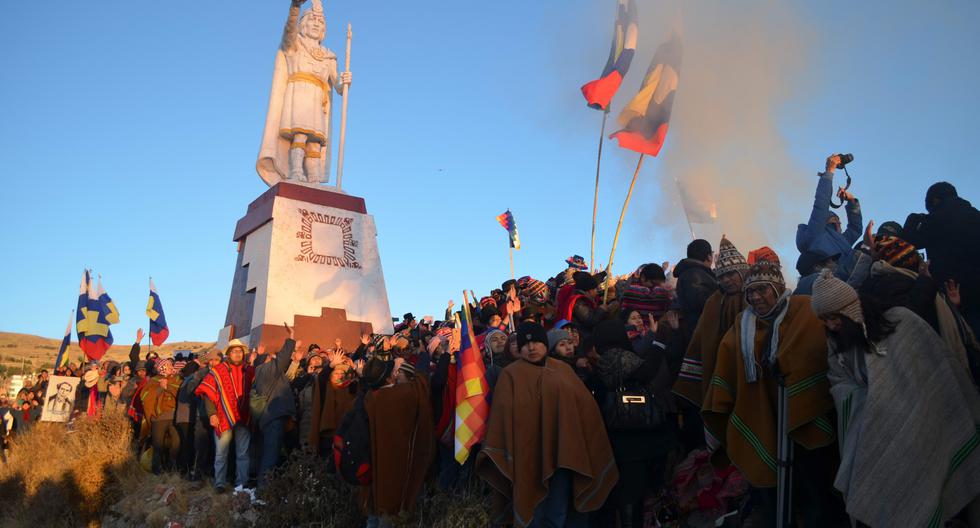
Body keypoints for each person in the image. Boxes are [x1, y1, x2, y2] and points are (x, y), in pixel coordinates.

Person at [811, 270, 980, 527]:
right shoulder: (838, 345)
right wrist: (866, 398)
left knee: (933, 488)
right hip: (875, 436)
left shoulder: (902, 321)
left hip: (925, 426)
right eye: (824, 320)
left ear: (851, 309)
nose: (831, 325)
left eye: (834, 317)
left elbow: (938, 372)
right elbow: (839, 382)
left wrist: (896, 400)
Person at [701, 259, 844, 527]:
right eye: (750, 292)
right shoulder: (742, 323)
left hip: (806, 414)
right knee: (770, 487)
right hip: (762, 417)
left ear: (778, 288)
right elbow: (727, 357)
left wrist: (788, 364)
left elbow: (815, 350)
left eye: (762, 289)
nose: (755, 297)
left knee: (816, 485)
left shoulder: (803, 309)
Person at [476, 322, 618, 527]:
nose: (531, 348)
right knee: (536, 511)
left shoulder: (563, 370)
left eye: (536, 342)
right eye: (525, 344)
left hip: (564, 453)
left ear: (544, 343)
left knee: (560, 508)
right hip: (527, 455)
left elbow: (585, 409)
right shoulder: (511, 375)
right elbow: (503, 416)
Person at [595, 319, 676, 528]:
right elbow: (646, 372)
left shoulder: (601, 358)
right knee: (632, 490)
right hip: (633, 432)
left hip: (616, 432)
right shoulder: (618, 357)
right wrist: (658, 341)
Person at [358, 356, 435, 526]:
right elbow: (420, 385)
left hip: (373, 468)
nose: (396, 373)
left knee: (375, 510)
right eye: (393, 371)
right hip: (394, 469)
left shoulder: (370, 397)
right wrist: (423, 356)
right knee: (389, 510)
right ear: (388, 378)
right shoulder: (399, 395)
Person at [673, 236, 749, 407]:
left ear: (743, 272)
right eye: (721, 276)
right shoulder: (715, 301)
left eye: (731, 274)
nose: (726, 280)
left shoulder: (754, 297)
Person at [903, 182, 980, 337]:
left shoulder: (935, 219)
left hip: (955, 292)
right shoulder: (975, 215)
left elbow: (909, 243)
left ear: (935, 200)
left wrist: (912, 221)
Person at [195, 339, 255, 492]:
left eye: (240, 351)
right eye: (234, 351)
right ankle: (220, 483)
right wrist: (212, 414)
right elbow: (208, 393)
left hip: (244, 417)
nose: (237, 354)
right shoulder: (218, 370)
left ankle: (242, 483)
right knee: (221, 453)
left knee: (243, 453)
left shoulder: (249, 371)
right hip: (223, 415)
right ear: (228, 353)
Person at [795, 154, 863, 282]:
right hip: (828, 283)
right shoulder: (815, 234)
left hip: (849, 282)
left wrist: (852, 201)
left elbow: (855, 229)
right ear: (824, 221)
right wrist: (829, 172)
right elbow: (821, 204)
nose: (839, 221)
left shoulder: (842, 239)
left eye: (839, 219)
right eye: (834, 218)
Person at [250, 325, 302, 484]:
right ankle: (263, 491)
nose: (272, 358)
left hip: (273, 418)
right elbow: (282, 358)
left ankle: (264, 488)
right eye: (269, 357)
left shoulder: (265, 372)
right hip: (273, 418)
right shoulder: (265, 370)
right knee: (270, 455)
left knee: (270, 453)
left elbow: (286, 370)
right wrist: (291, 337)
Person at [141, 358, 182, 474]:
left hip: (174, 417)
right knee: (158, 445)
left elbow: (180, 393)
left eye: (171, 365)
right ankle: (157, 471)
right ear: (162, 368)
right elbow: (145, 397)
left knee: (176, 444)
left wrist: (168, 387)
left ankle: (173, 469)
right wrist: (160, 388)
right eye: (168, 366)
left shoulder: (177, 379)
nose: (171, 367)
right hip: (158, 418)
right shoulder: (153, 381)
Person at [673, 239, 718, 335]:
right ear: (709, 257)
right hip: (704, 331)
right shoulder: (694, 274)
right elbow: (702, 303)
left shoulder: (688, 272)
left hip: (697, 330)